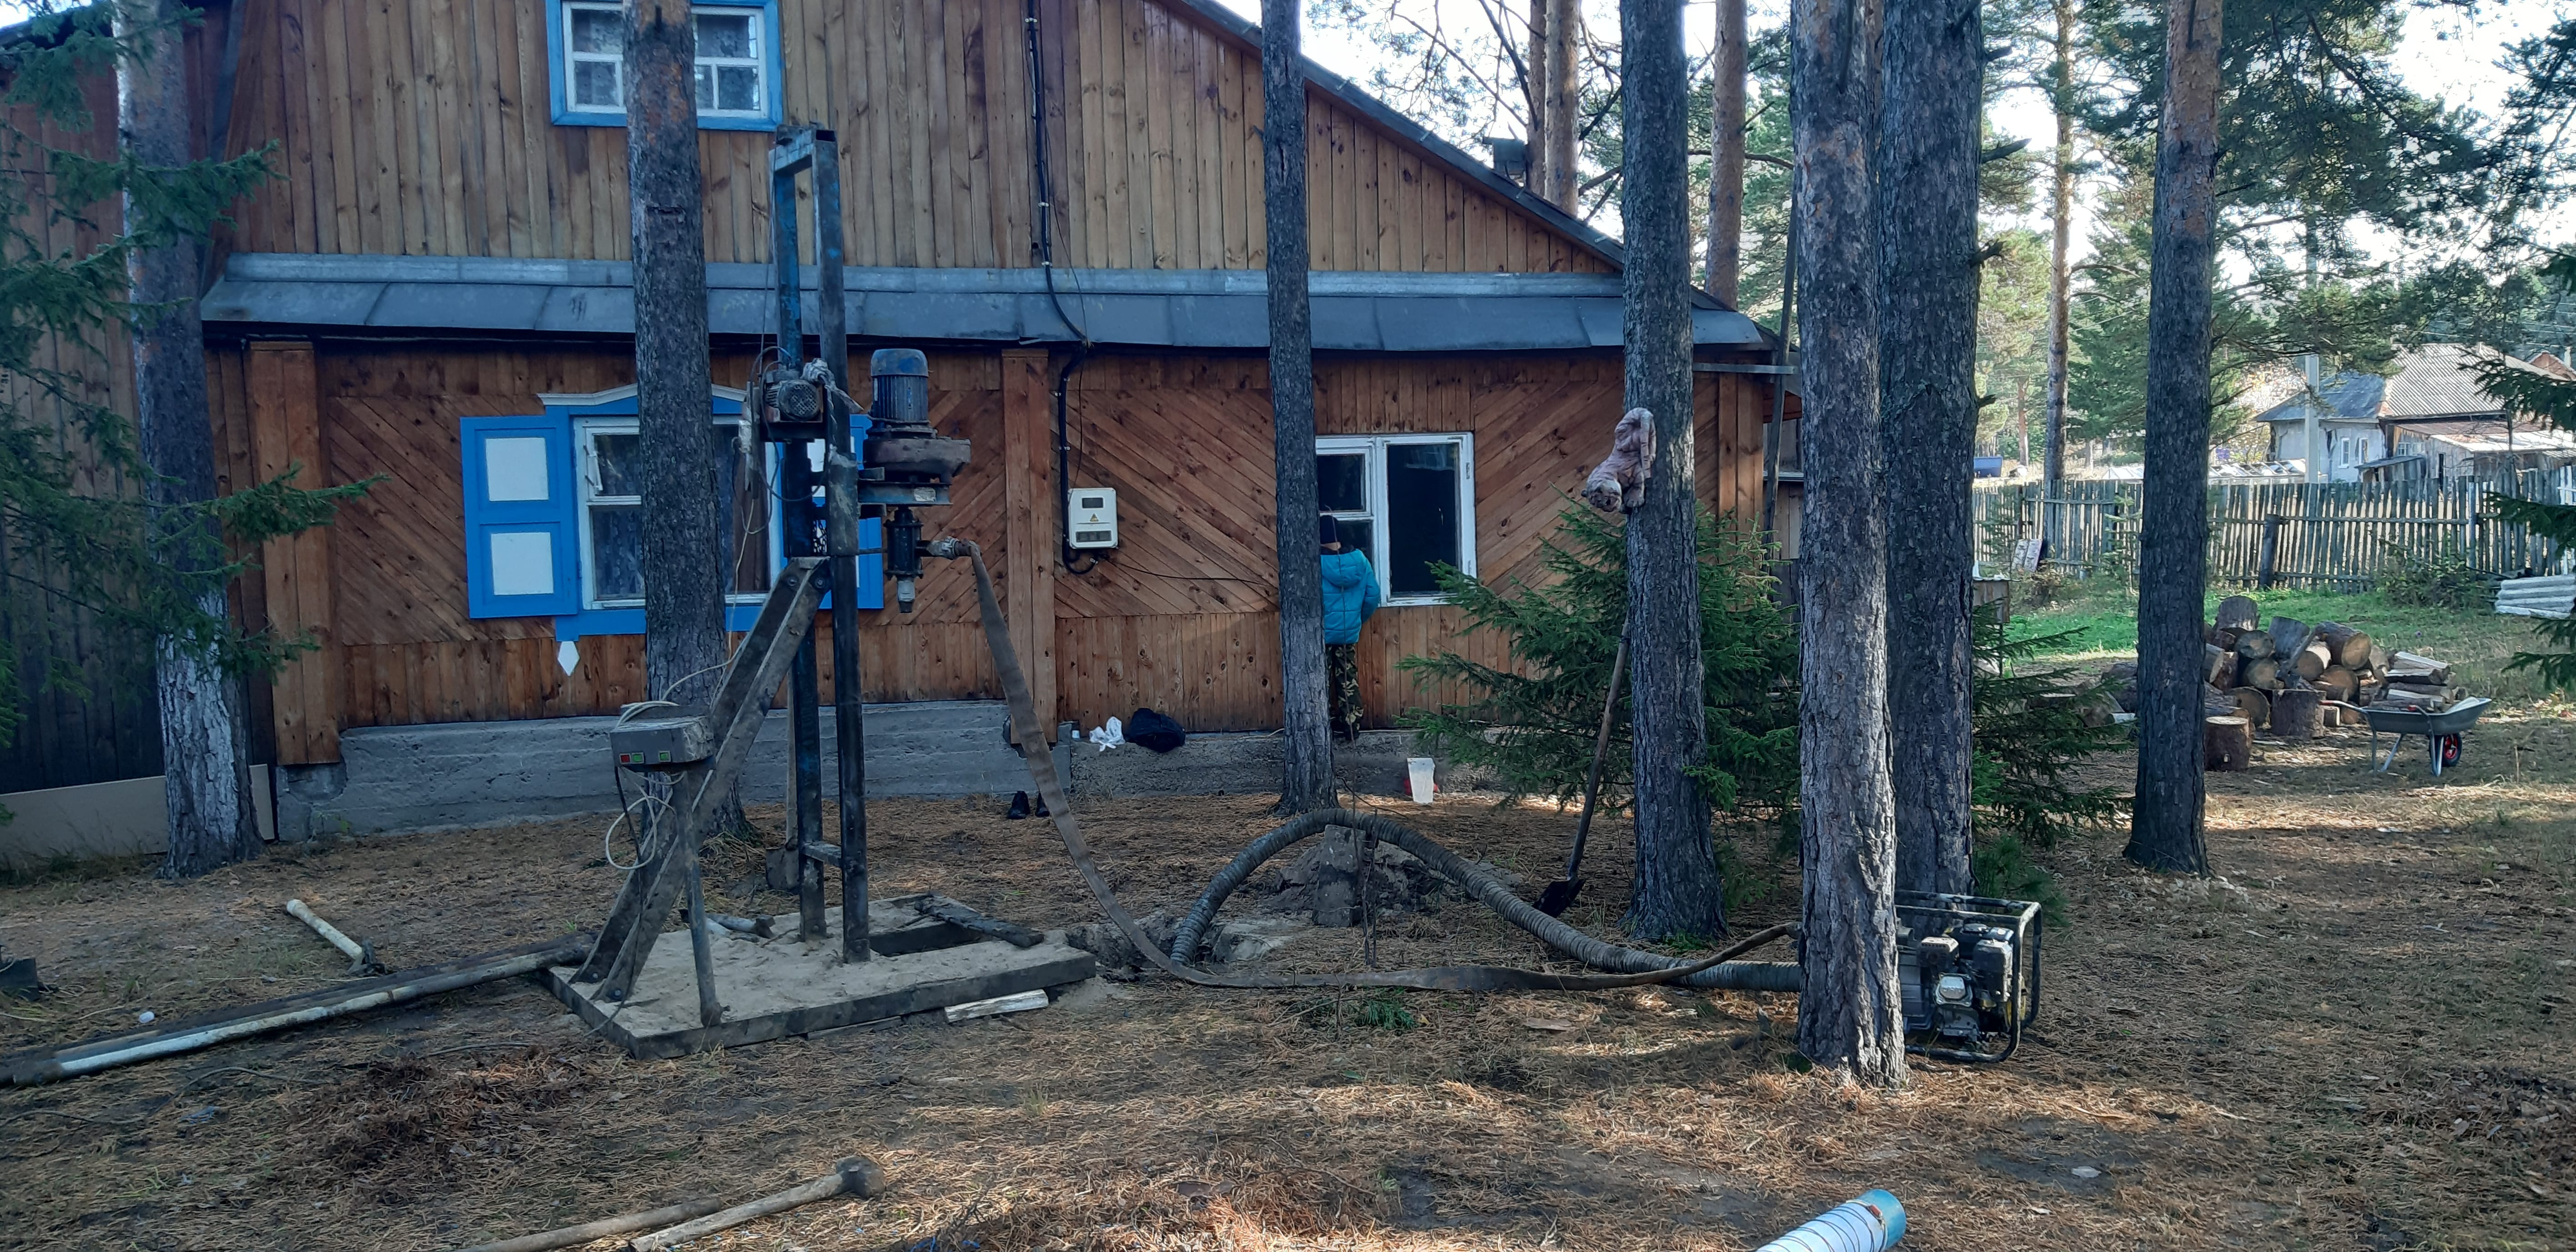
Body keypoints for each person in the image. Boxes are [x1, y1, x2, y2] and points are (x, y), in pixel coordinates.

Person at [1318, 514, 1380, 743]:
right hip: (1349, 632)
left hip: (1320, 635)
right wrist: (1356, 620)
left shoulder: (1314, 562)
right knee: (1347, 679)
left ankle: (1320, 729)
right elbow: (1373, 596)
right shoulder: (1360, 560)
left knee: (1319, 682)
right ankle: (1352, 728)